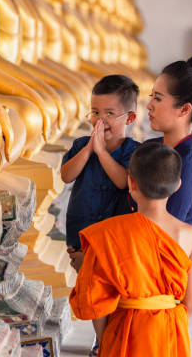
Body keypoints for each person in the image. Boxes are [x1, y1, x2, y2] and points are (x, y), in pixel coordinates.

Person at [70, 142, 192, 356]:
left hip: (124, 331)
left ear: (131, 183)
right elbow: (190, 303)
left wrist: (106, 341)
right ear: (177, 185)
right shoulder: (188, 234)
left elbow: (96, 305)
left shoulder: (108, 234)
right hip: (169, 331)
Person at [60, 74, 140, 356]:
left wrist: (103, 152)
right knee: (93, 292)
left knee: (112, 292)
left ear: (129, 119)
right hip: (82, 233)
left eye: (109, 113)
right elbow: (66, 175)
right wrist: (90, 149)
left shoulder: (133, 152)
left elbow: (122, 182)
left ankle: (110, 343)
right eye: (95, 112)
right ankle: (103, 343)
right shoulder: (82, 145)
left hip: (115, 238)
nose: (100, 120)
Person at [130, 53, 192, 226]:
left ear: (184, 109)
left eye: (157, 98)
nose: (149, 105)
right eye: (151, 96)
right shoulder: (151, 147)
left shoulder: (187, 166)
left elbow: (164, 236)